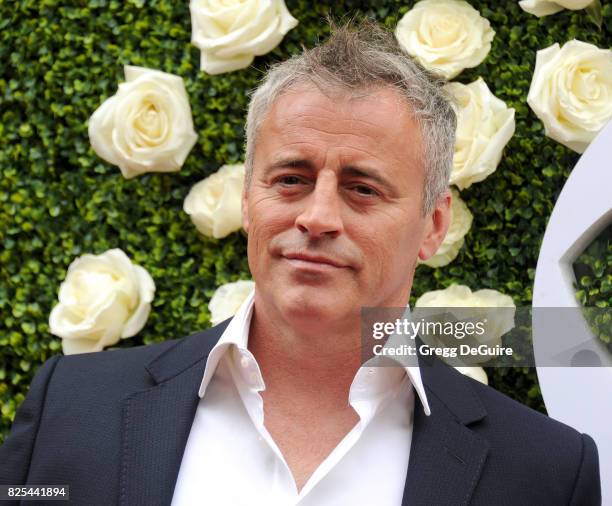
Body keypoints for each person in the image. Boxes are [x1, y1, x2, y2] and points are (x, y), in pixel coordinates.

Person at [0, 18, 601, 506]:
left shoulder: (545, 473)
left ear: (433, 225)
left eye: (363, 188)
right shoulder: (73, 408)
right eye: (290, 178)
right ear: (246, 197)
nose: (317, 216)